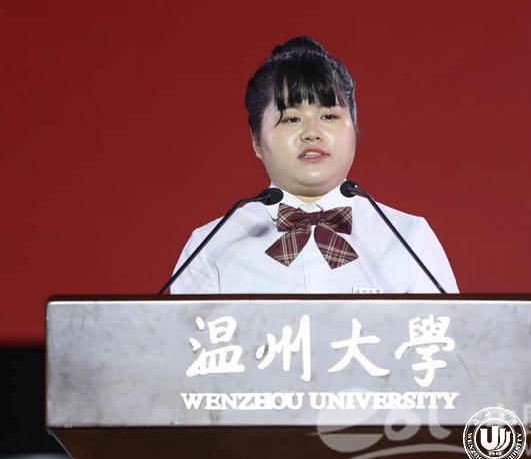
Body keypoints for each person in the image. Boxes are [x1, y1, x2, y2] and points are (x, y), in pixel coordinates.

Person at [170, 36, 458, 294]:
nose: (312, 133)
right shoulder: (212, 246)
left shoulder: (408, 238)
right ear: (256, 140)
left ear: (354, 129)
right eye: (291, 119)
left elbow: (449, 335)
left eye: (329, 116)